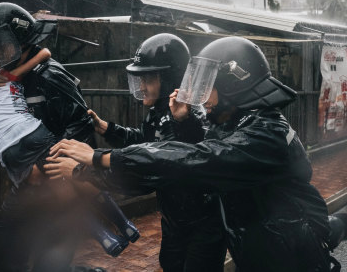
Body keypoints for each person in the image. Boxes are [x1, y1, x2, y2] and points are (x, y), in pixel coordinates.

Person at [50, 36, 345, 271]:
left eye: (209, 87)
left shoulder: (264, 133)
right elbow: (193, 148)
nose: (203, 97)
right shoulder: (232, 123)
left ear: (232, 87)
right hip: (259, 250)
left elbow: (192, 161)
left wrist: (99, 160)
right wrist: (185, 121)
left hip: (290, 257)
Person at [0, 2, 137, 271]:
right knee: (2, 259)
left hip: (60, 190)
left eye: (3, 45)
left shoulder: (51, 74)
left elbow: (81, 127)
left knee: (51, 264)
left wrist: (43, 166)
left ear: (21, 41)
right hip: (24, 190)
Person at [46, 33, 227, 272]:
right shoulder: (159, 111)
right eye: (139, 80)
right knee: (170, 264)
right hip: (175, 219)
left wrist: (84, 169)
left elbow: (151, 170)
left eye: (148, 79)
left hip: (204, 224)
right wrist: (107, 128)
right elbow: (144, 143)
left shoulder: (190, 113)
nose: (141, 87)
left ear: (170, 77)